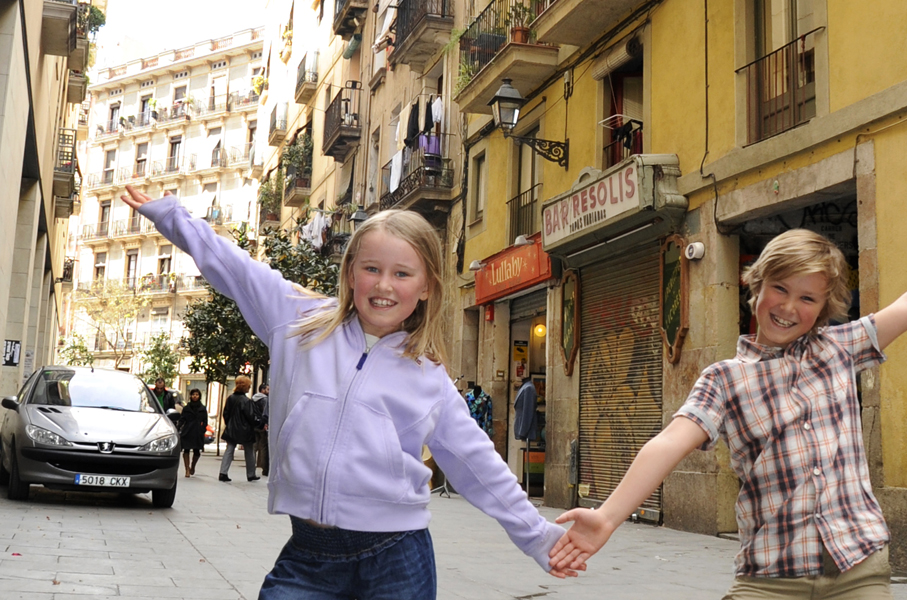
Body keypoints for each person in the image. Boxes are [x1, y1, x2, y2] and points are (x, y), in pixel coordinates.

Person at [121, 185, 577, 599]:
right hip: (308, 555)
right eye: (371, 269)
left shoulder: (428, 377)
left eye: (402, 274)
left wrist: (538, 537)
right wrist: (169, 214)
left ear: (425, 288)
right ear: (351, 272)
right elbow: (234, 267)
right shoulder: (298, 321)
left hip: (397, 558)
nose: (383, 285)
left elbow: (476, 463)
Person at [549, 228, 907, 599]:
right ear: (755, 285)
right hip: (771, 575)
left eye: (808, 298)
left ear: (825, 307)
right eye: (779, 289)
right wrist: (608, 516)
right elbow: (668, 443)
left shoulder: (839, 349)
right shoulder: (724, 379)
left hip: (857, 566)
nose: (788, 307)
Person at [219, 374, 258, 483]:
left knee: (229, 450)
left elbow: (225, 414)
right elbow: (250, 416)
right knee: (249, 451)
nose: (249, 388)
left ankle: (223, 472)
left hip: (231, 429)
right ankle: (251, 474)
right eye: (248, 386)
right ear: (244, 387)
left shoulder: (230, 398)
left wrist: (230, 424)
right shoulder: (246, 401)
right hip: (245, 430)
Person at [177, 388, 208, 477]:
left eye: (197, 394)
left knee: (197, 451)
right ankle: (187, 469)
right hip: (187, 431)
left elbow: (205, 421)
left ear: (199, 396)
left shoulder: (202, 408)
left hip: (198, 432)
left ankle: (193, 466)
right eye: (193, 394)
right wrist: (179, 428)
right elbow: (182, 419)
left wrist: (202, 429)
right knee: (186, 449)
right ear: (190, 396)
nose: (195, 396)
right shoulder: (186, 408)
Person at [513, 377, 539, 442]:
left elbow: (528, 411)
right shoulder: (524, 387)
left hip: (526, 428)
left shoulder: (528, 388)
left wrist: (523, 431)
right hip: (520, 425)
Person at [252, 383, 270, 477]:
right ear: (262, 390)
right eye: (267, 389)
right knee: (263, 446)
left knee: (254, 446)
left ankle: (252, 466)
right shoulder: (264, 399)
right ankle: (264, 468)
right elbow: (265, 412)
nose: (269, 391)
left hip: (254, 424)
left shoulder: (253, 398)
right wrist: (264, 423)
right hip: (262, 425)